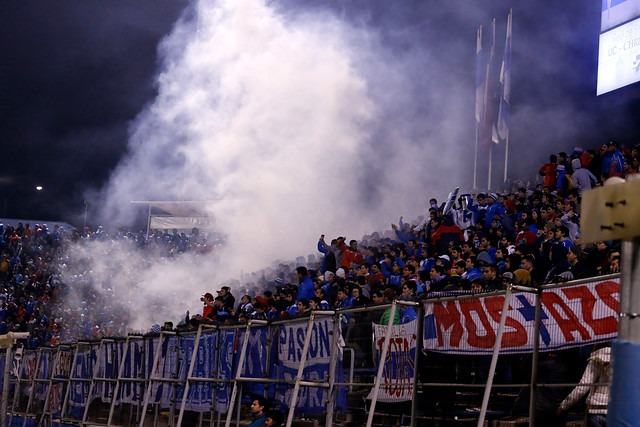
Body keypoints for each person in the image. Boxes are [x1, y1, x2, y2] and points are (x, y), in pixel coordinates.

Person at [557, 343, 610, 426]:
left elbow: (582, 388)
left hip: (595, 409)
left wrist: (564, 406)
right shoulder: (623, 363)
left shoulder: (596, 360)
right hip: (615, 410)